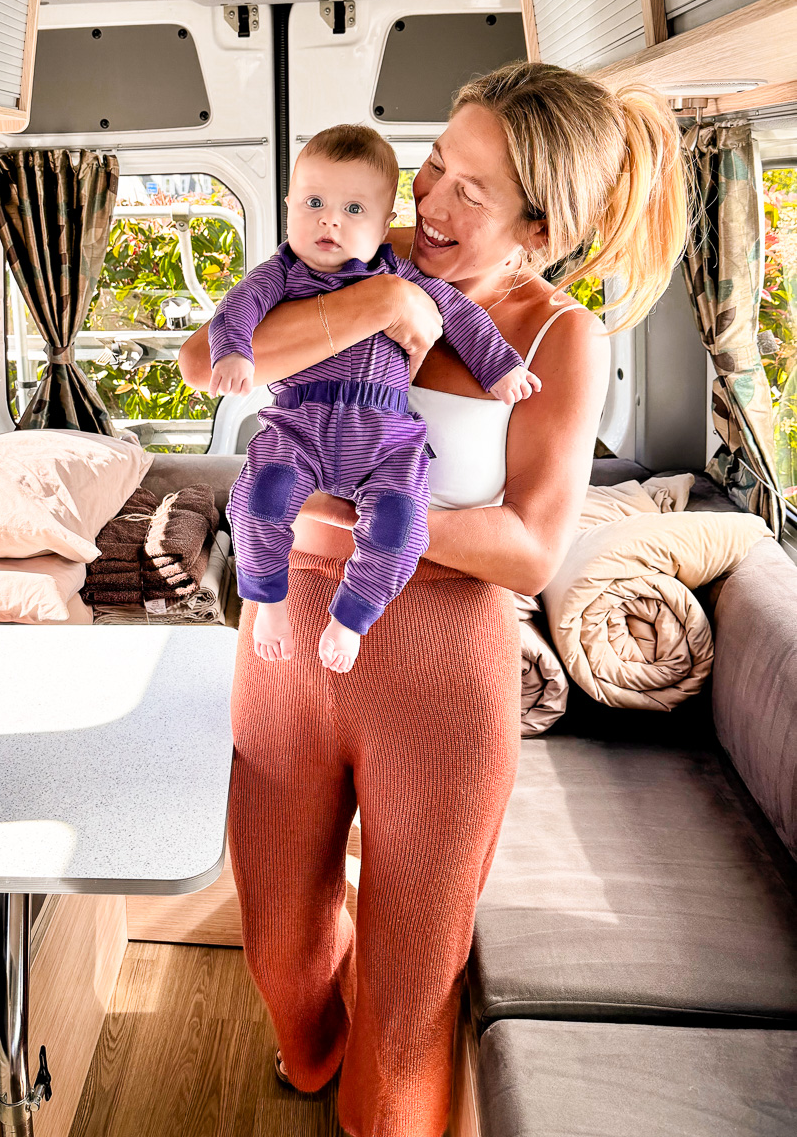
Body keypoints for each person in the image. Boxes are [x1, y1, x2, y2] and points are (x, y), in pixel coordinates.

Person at [179, 61, 688, 1137]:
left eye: (472, 190)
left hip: (442, 683)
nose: (430, 201)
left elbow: (532, 547)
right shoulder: (358, 245)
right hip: (286, 656)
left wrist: (352, 523)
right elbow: (205, 361)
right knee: (278, 951)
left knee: (411, 1004)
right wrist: (377, 298)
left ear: (539, 230)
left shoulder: (558, 337)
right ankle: (315, 1052)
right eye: (435, 164)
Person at [208, 124, 539, 673]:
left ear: (385, 225)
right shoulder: (280, 276)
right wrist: (233, 353)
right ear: (288, 207)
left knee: (398, 524)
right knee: (257, 500)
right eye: (312, 203)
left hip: (385, 437)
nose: (329, 220)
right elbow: (234, 311)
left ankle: (352, 617)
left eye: (353, 209)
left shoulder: (401, 271)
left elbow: (460, 317)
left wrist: (500, 367)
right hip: (299, 427)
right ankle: (267, 600)